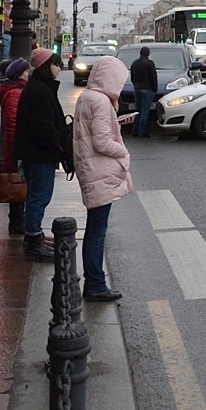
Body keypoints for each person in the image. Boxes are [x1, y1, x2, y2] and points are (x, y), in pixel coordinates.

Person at [72, 56, 134, 303]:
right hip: (99, 171)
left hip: (91, 169)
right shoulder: (100, 101)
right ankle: (95, 284)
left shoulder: (88, 96)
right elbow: (101, 142)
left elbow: (93, 132)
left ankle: (94, 280)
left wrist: (115, 122)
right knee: (97, 230)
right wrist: (123, 150)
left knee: (95, 228)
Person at [14, 48, 65, 262]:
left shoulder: (39, 88)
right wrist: (58, 148)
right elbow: (43, 127)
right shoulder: (40, 92)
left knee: (38, 196)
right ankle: (33, 240)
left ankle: (35, 236)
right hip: (40, 154)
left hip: (36, 152)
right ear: (46, 67)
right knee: (39, 197)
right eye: (56, 64)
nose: (59, 69)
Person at [0, 57, 29, 235]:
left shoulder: (16, 90)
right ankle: (17, 222)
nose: (28, 74)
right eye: (26, 71)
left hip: (16, 145)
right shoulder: (15, 93)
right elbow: (12, 122)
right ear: (19, 74)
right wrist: (17, 147)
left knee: (19, 183)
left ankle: (18, 220)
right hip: (16, 146)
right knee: (17, 183)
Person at [128, 46, 159, 139]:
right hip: (147, 89)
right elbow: (153, 77)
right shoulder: (150, 63)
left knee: (138, 110)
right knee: (145, 111)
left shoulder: (135, 63)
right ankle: (142, 131)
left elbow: (132, 77)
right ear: (148, 54)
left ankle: (135, 130)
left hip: (137, 89)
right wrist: (155, 89)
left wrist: (136, 85)